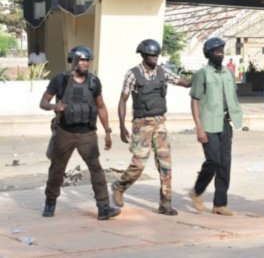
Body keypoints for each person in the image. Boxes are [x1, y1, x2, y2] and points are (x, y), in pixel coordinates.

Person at [111, 39, 191, 216]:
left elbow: (183, 82)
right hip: (142, 124)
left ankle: (165, 203)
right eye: (151, 55)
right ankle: (119, 186)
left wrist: (201, 76)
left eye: (156, 55)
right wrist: (123, 126)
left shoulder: (162, 72)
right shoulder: (133, 74)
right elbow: (122, 101)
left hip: (160, 123)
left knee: (165, 164)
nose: (155, 58)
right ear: (143, 55)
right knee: (138, 164)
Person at [39, 45, 120, 220]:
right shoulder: (60, 80)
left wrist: (107, 131)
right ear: (73, 61)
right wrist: (54, 106)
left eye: (87, 60)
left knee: (96, 169)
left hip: (87, 134)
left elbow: (100, 106)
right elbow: (43, 102)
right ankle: (50, 201)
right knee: (57, 169)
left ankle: (103, 207)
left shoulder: (94, 82)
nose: (86, 63)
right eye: (82, 59)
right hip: (64, 132)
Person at [188, 37, 243, 216]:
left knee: (225, 164)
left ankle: (219, 204)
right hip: (208, 124)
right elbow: (195, 100)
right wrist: (199, 127)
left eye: (222, 51)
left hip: (226, 123)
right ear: (209, 54)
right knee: (213, 160)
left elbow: (232, 97)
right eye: (216, 51)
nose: (220, 54)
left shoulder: (228, 73)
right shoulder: (202, 74)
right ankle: (196, 191)